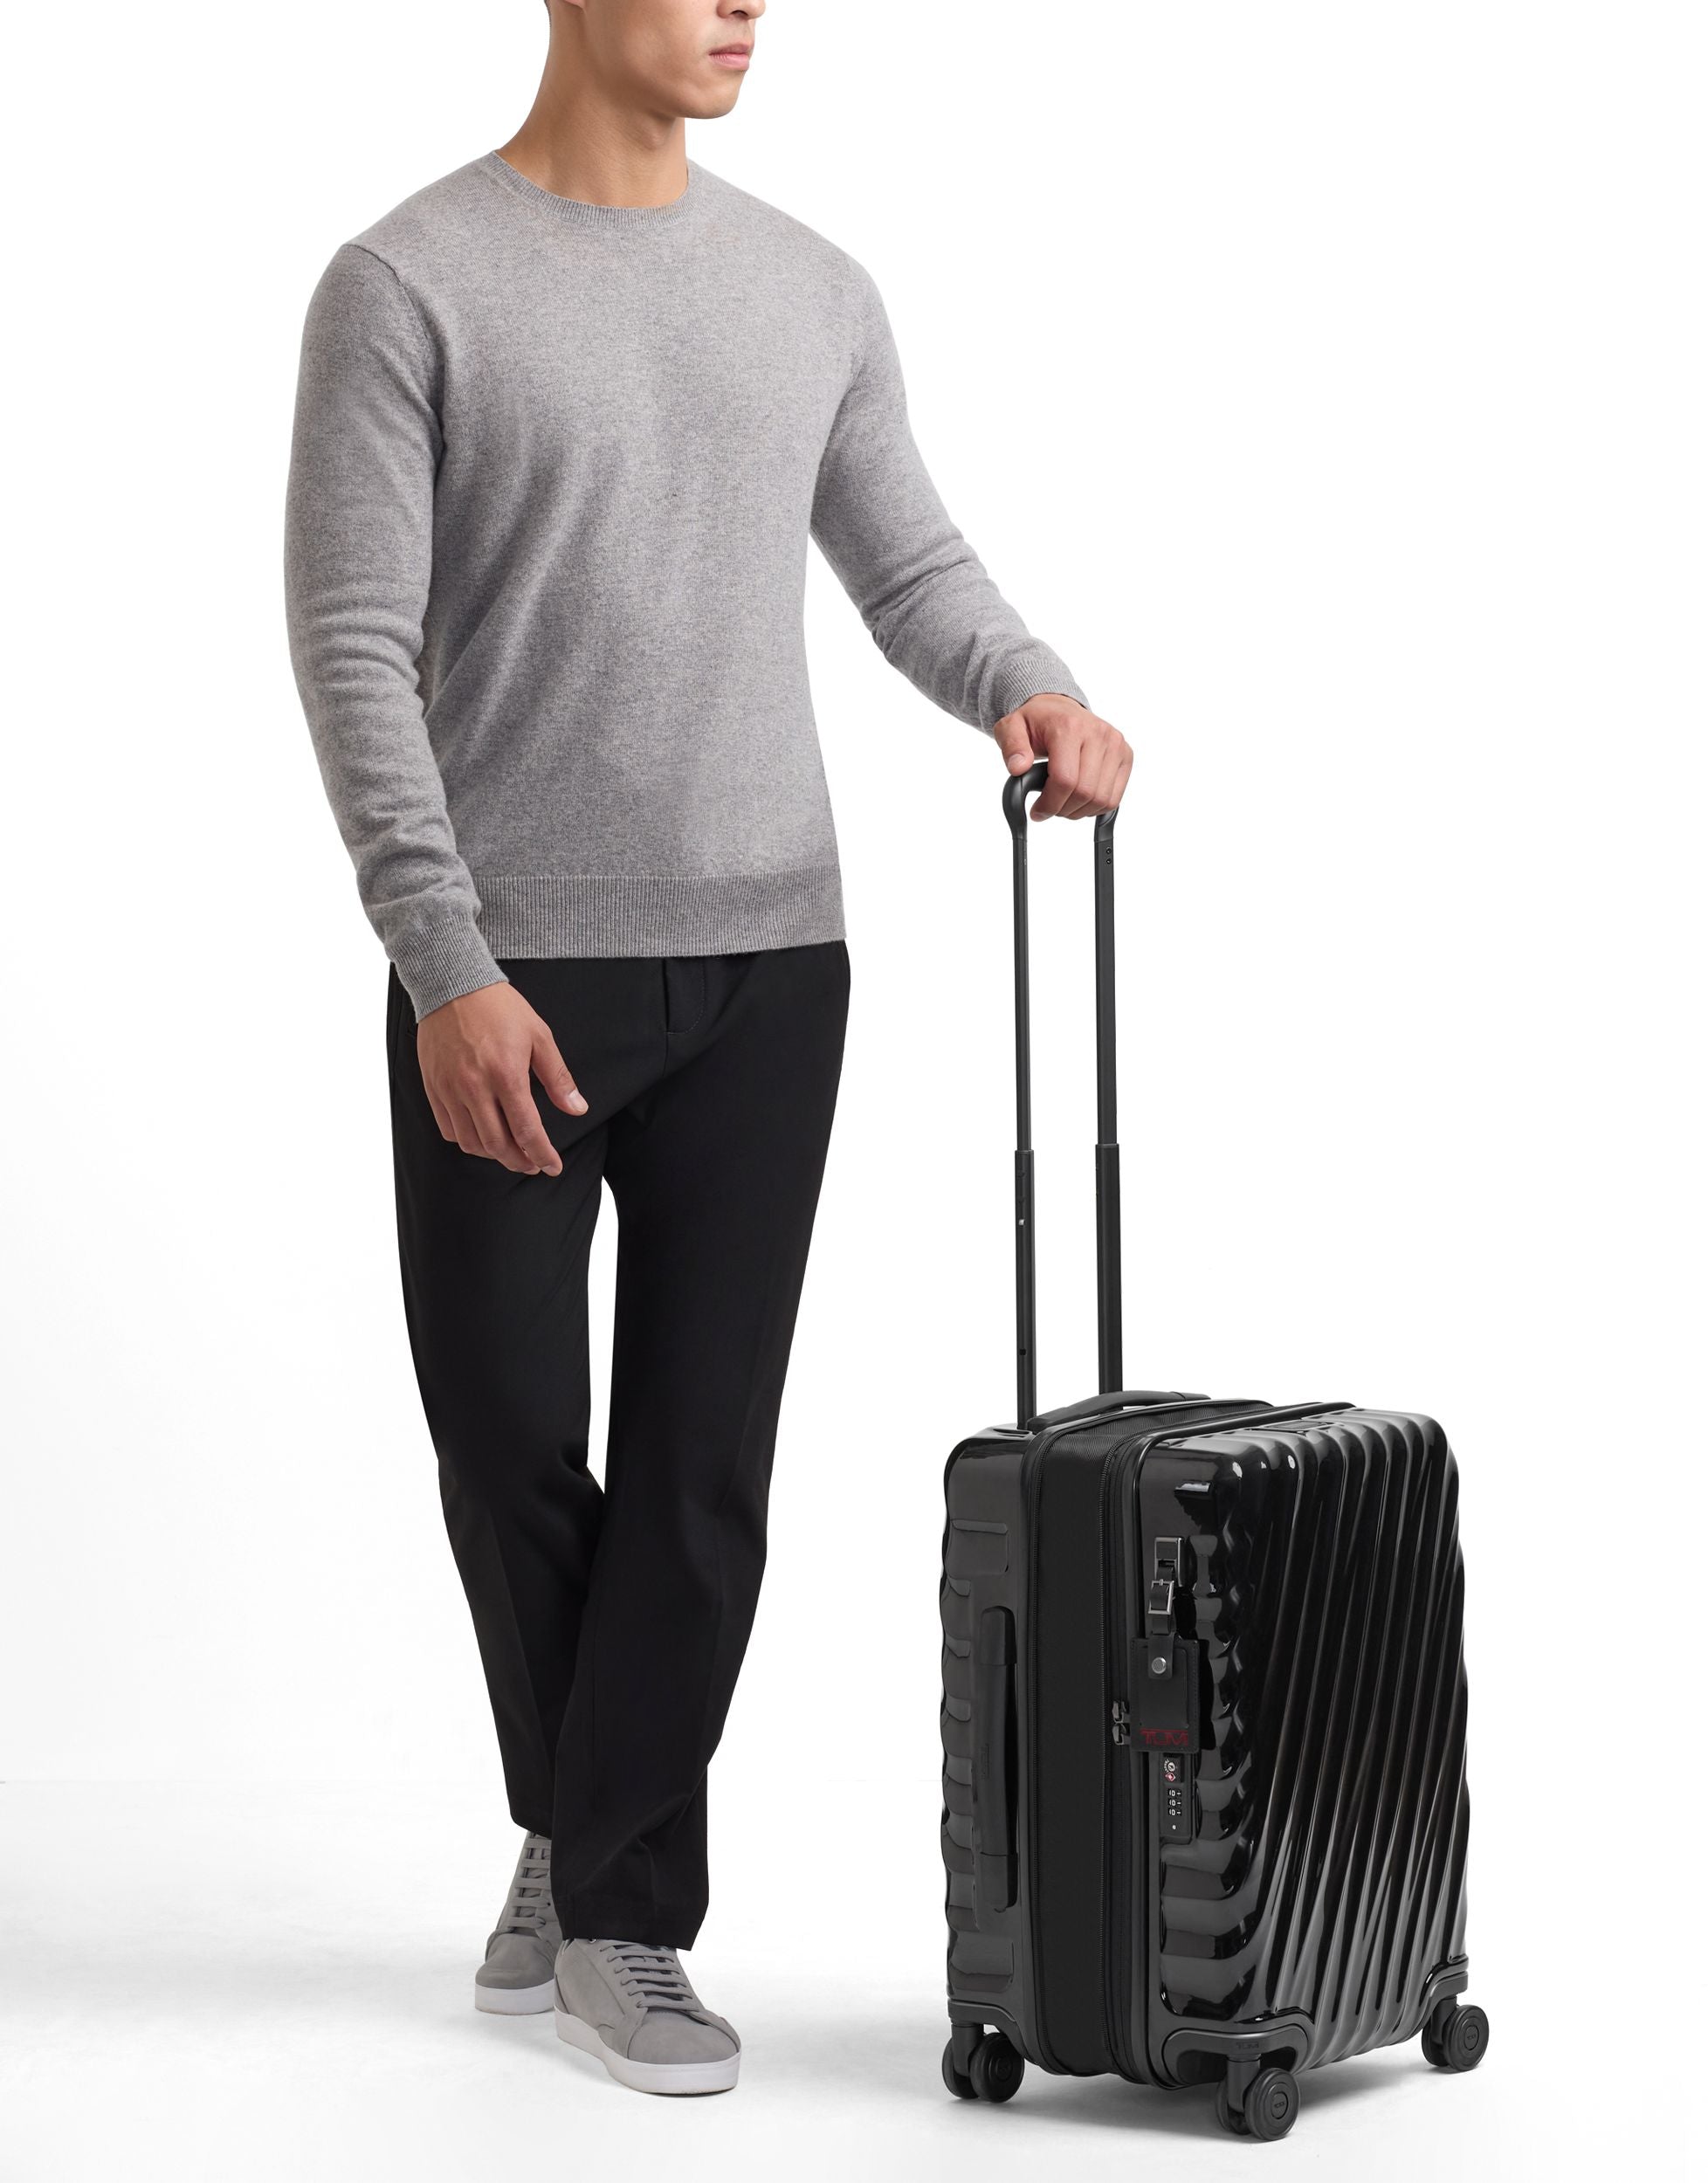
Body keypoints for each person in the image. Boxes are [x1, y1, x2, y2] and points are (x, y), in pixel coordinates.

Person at [282, 0, 1131, 2099]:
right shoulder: (404, 285)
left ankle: (618, 1908)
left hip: (771, 965)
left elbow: (907, 561)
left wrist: (1026, 680)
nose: (749, 5)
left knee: (699, 1461)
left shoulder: (810, 290)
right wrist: (442, 960)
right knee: (505, 1436)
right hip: (508, 973)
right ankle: (591, 1820)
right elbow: (354, 646)